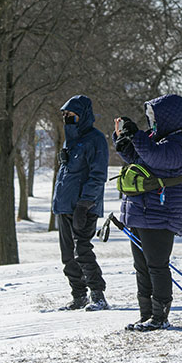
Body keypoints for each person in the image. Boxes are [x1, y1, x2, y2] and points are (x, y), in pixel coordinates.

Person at [113, 94, 182, 332]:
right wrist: (124, 141)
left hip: (161, 212)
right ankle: (146, 314)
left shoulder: (178, 143)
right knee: (142, 266)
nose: (151, 122)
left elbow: (155, 157)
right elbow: (140, 159)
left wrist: (136, 135)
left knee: (157, 265)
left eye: (153, 117)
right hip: (141, 210)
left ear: (167, 117)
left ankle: (160, 316)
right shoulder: (155, 139)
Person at [52, 95, 110, 311]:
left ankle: (98, 295)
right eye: (65, 115)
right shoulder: (71, 139)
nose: (67, 118)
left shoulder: (95, 140)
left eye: (71, 115)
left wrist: (85, 203)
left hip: (84, 207)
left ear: (83, 115)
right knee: (68, 255)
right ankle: (79, 295)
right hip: (65, 205)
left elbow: (97, 175)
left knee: (82, 251)